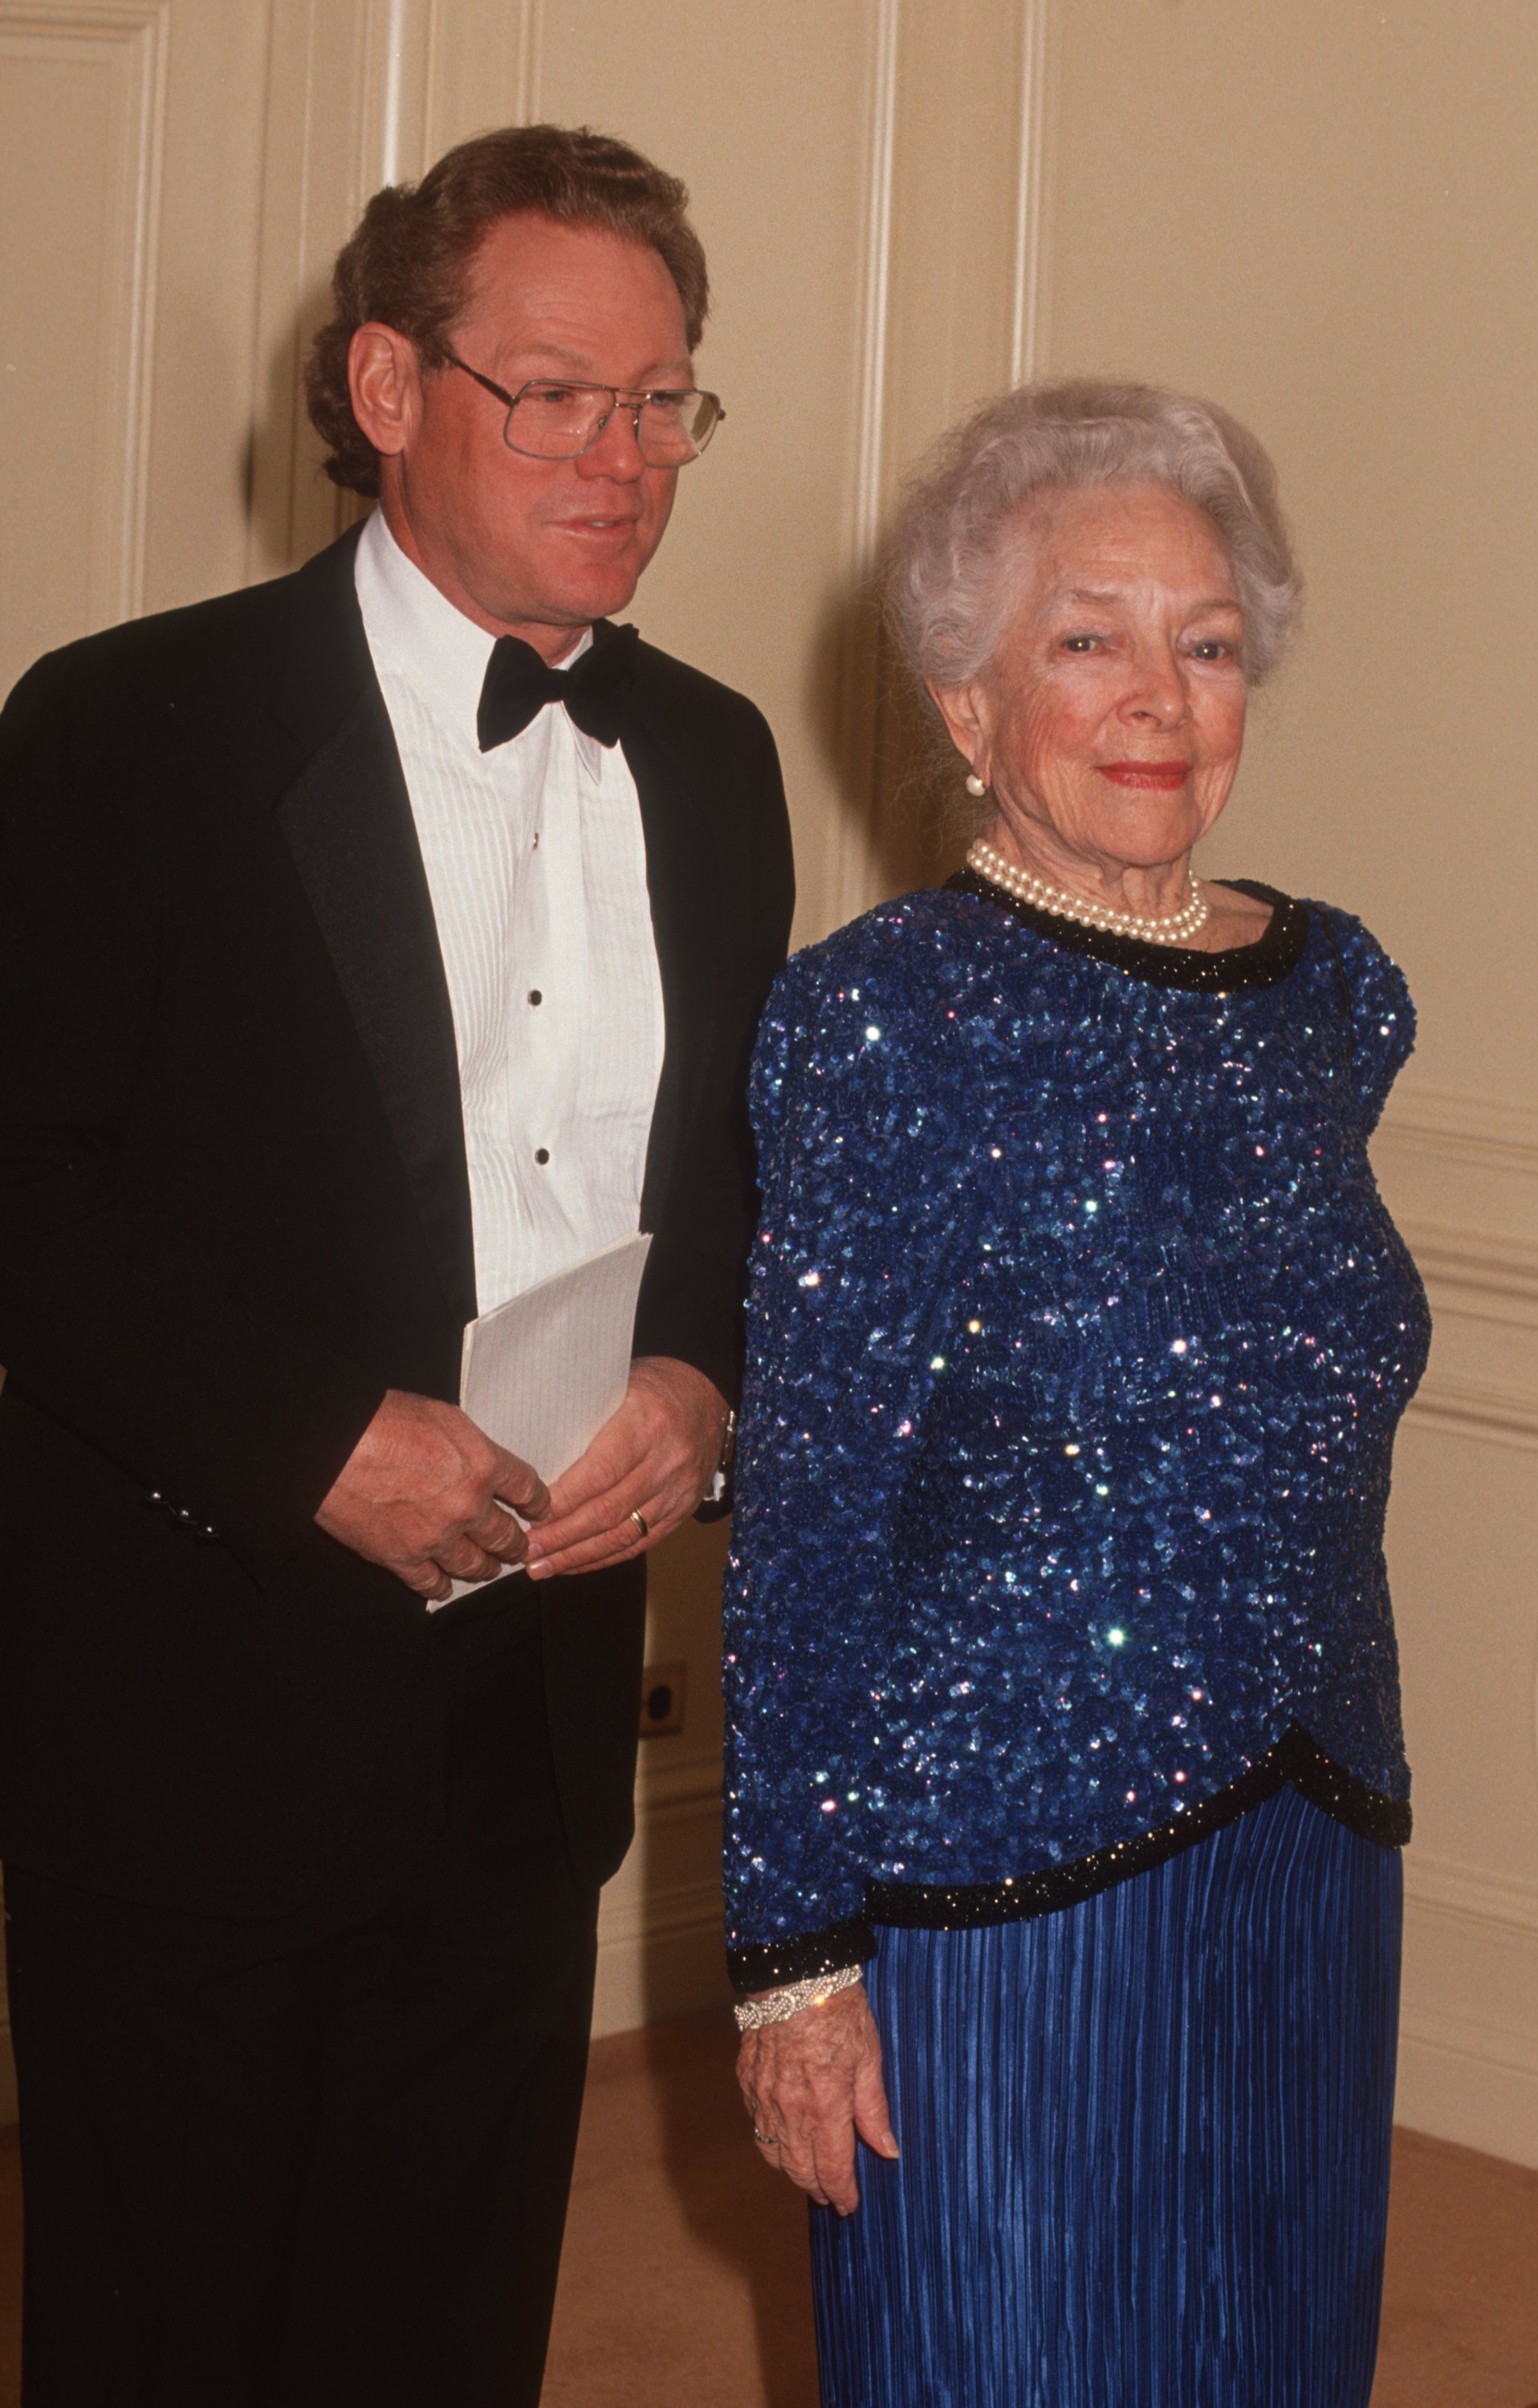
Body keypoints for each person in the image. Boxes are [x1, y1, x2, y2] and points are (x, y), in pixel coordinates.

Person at [0, 124, 792, 2406]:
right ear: (383, 383)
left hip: (532, 1714)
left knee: (445, 2329)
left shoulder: (719, 763)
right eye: (553, 392)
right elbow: (22, 1183)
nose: (623, 459)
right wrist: (309, 1441)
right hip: (195, 1687)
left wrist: (697, 1392)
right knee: (166, 2333)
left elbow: (736, 1192)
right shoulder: (124, 725)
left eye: (663, 401)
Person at [724, 380, 1426, 2406]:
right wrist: (795, 1963)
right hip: (999, 1899)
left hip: (1311, 1855)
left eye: (1204, 644)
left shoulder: (1336, 994)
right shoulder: (884, 1021)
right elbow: (815, 1524)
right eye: (1085, 639)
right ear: (966, 699)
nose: (1157, 697)